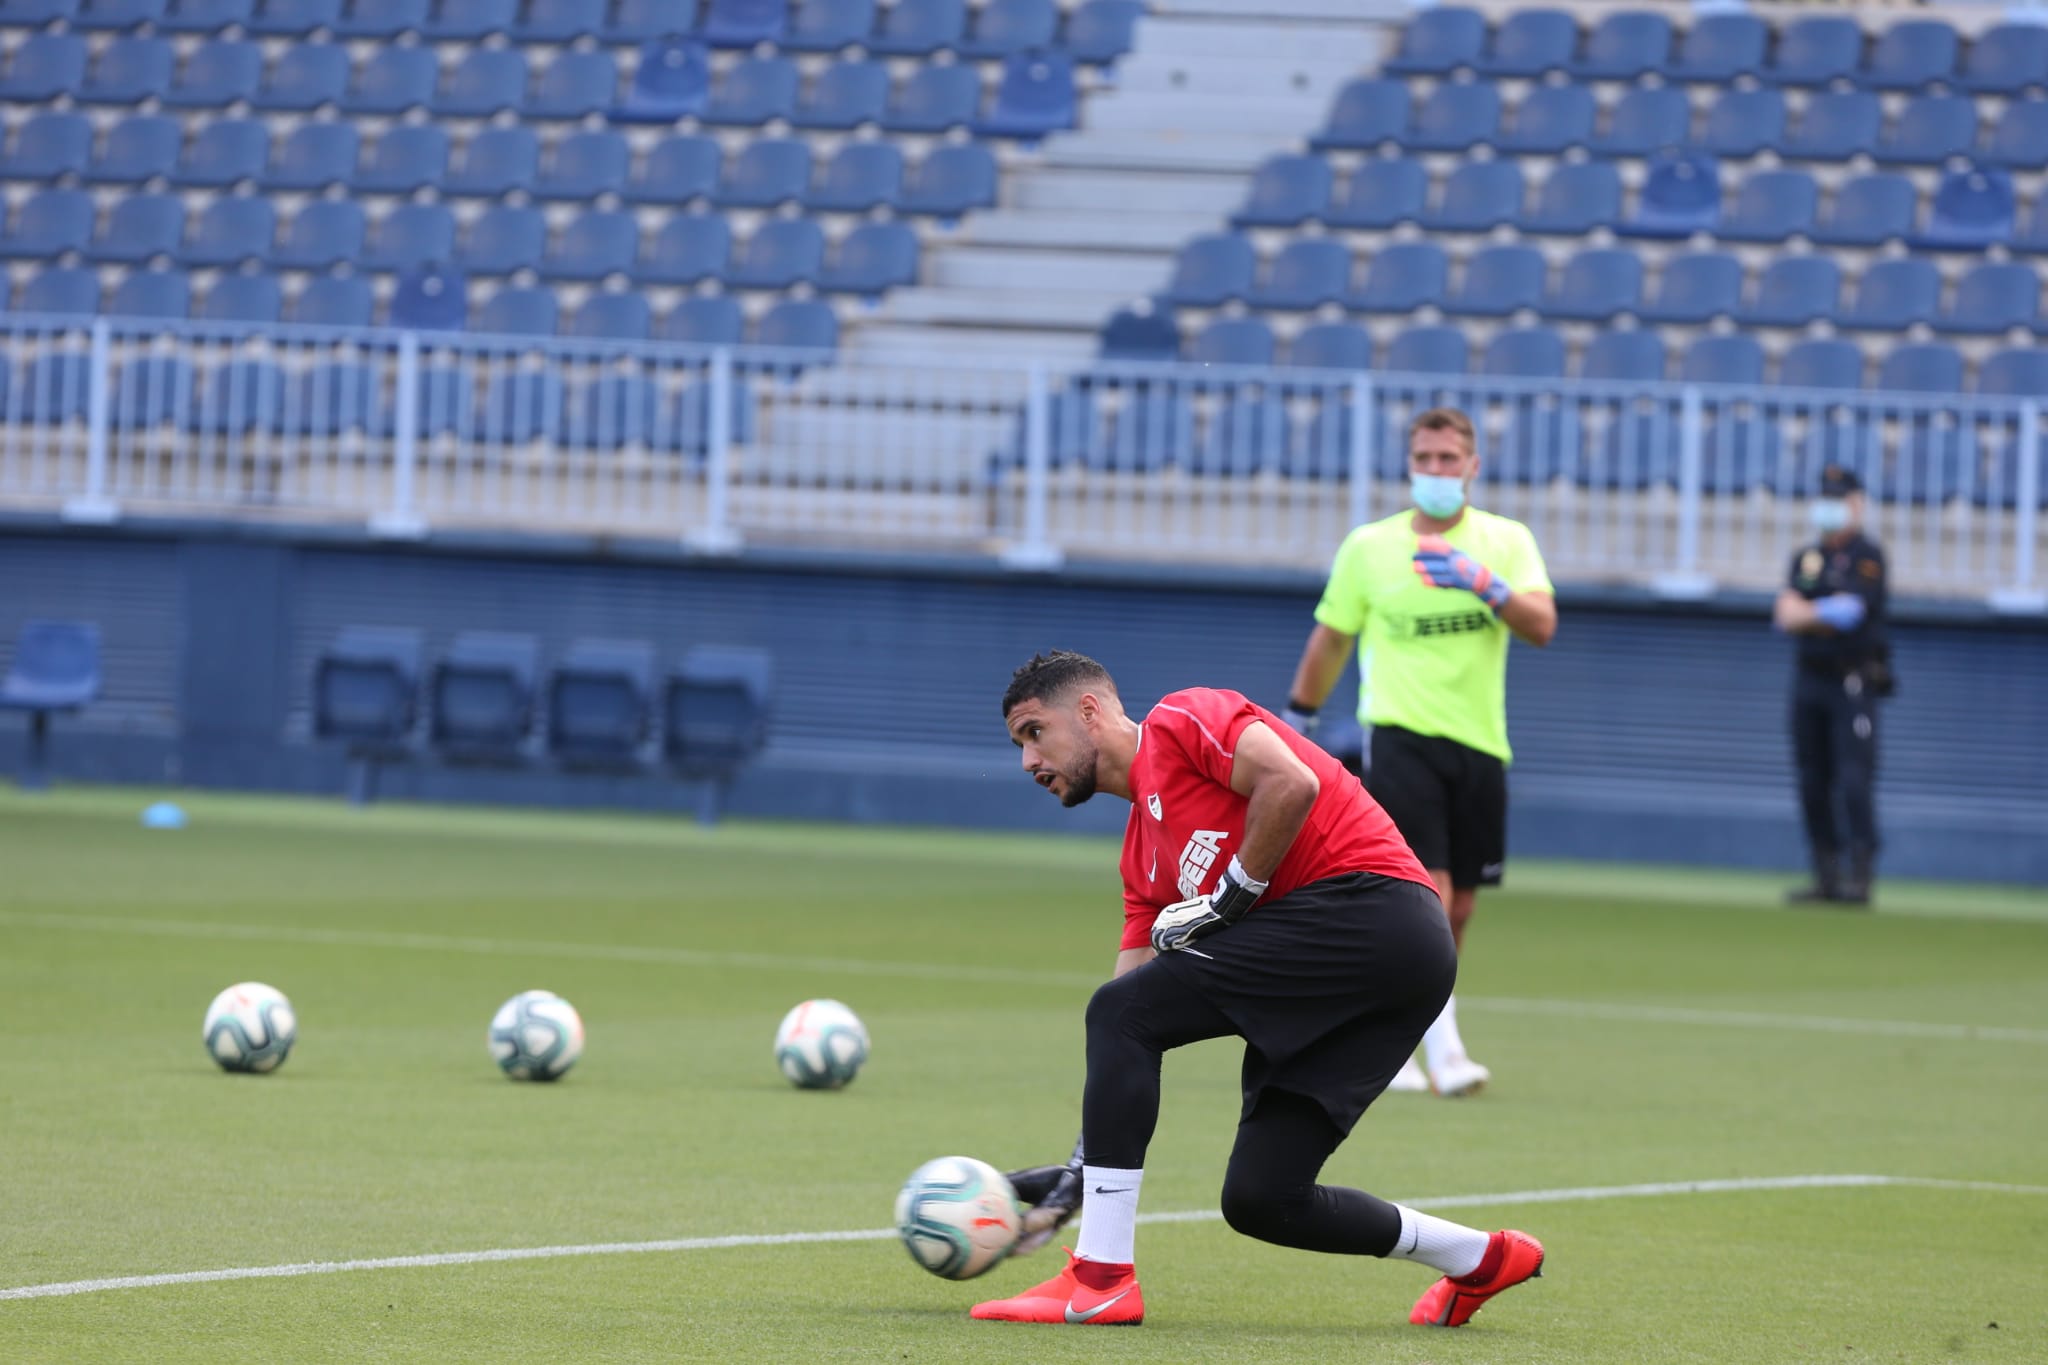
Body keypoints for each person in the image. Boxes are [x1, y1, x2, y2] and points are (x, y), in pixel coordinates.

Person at [974, 650, 1544, 1330]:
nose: (1028, 760)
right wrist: (1077, 1170)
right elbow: (1124, 1017)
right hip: (1372, 969)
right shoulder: (1142, 857)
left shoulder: (1185, 719)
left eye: (1034, 732)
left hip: (1378, 914)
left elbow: (1291, 781)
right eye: (1020, 744)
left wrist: (1227, 898)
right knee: (1262, 1197)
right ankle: (1481, 1257)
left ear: (1090, 711)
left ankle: (1099, 1278)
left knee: (1123, 1014)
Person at [1281, 408, 1556, 1098]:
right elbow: (1331, 636)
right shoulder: (1370, 547)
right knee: (1427, 896)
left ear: (1473, 466)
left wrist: (1481, 581)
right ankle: (1449, 1051)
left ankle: (1392, 1031)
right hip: (1399, 734)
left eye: (1447, 459)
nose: (1435, 471)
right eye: (1424, 458)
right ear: (1410, 465)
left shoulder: (1505, 541)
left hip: (1480, 742)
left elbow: (1543, 626)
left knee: (1459, 906)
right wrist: (1297, 718)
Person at [1773, 465, 1891, 906]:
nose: (1829, 507)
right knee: (1811, 778)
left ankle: (1860, 876)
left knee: (1854, 778)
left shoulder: (1868, 555)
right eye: (1825, 497)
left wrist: (1811, 613)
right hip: (1809, 680)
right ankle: (1826, 874)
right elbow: (1784, 614)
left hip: (1852, 681)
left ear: (1857, 505)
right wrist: (1820, 614)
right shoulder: (1806, 557)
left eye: (1838, 499)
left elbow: (1852, 613)